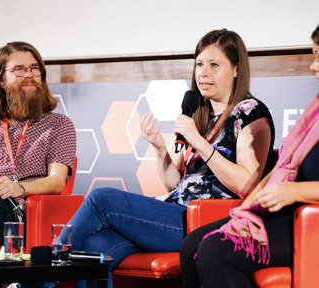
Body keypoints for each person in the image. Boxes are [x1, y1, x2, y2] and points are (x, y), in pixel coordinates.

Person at [65, 29, 274, 288]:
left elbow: (247, 185)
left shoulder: (251, 114)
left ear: (236, 69)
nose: (203, 73)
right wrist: (160, 150)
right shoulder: (202, 114)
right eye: (199, 64)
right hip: (176, 213)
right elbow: (175, 184)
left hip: (208, 224)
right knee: (96, 246)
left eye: (214, 65)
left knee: (102, 199)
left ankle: (36, 277)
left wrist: (197, 140)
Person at [180, 24, 319, 288]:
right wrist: (245, 211)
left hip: (308, 223)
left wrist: (296, 192)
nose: (313, 66)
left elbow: (287, 185)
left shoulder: (250, 111)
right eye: (314, 56)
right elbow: (281, 172)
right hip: (285, 213)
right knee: (191, 246)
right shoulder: (315, 111)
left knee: (214, 252)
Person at [0, 41, 76, 245]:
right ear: (1, 80)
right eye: (19, 70)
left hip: (17, 217)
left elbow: (57, 183)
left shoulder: (58, 125)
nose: (29, 75)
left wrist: (18, 188)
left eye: (34, 69)